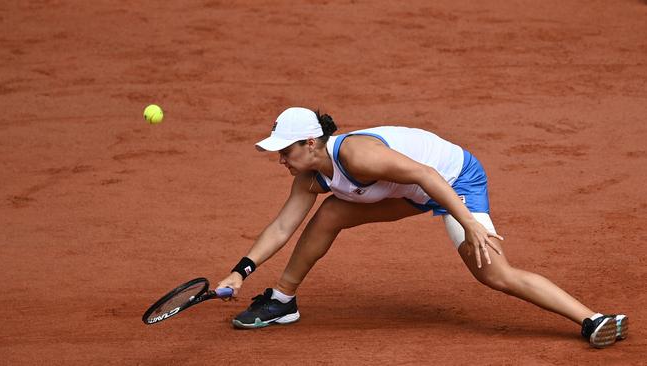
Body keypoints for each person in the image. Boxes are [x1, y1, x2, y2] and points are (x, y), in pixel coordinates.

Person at [216, 107, 628, 348]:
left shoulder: (359, 155)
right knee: (329, 215)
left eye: (284, 151)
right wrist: (240, 271)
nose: (280, 159)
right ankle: (283, 300)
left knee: (494, 273)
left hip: (453, 181)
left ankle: (592, 319)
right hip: (406, 191)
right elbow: (282, 226)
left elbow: (429, 176)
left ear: (310, 144)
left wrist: (469, 222)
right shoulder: (309, 177)